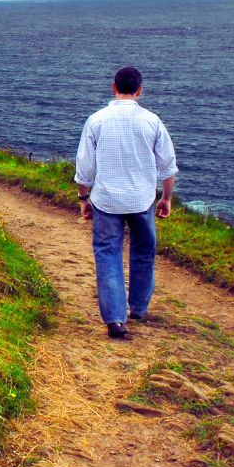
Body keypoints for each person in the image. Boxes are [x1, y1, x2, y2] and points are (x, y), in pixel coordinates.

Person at [74, 66, 178, 340]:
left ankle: (116, 321)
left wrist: (84, 198)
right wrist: (166, 198)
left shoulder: (96, 120)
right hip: (142, 199)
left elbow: (84, 167)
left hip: (106, 200)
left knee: (108, 255)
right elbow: (167, 167)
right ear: (140, 90)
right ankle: (139, 308)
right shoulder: (152, 121)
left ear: (113, 87)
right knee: (144, 252)